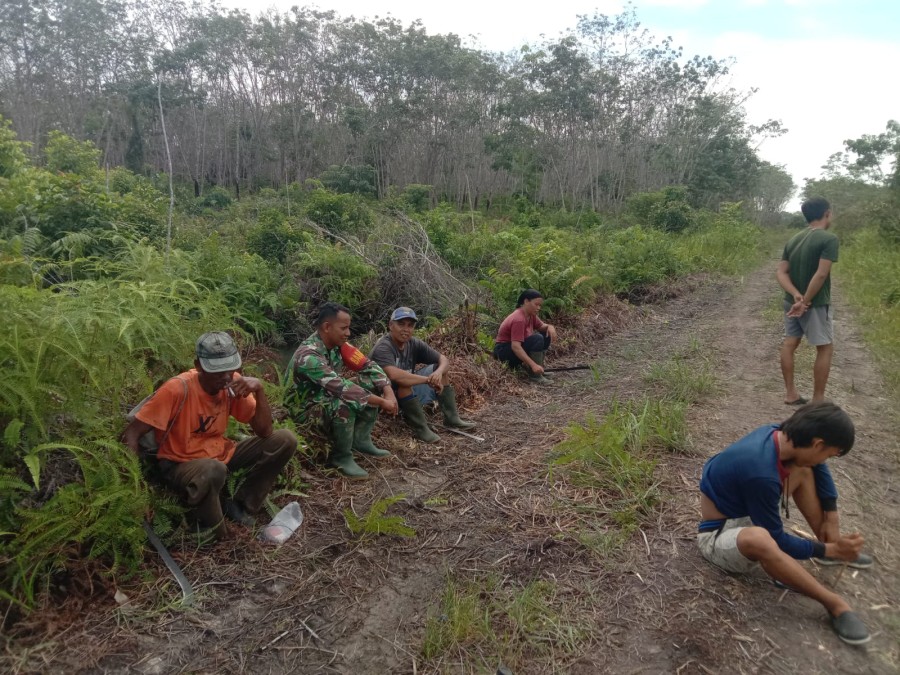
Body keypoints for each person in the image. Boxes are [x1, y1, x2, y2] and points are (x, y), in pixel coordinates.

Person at [697, 401, 873, 645]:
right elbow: (777, 539)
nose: (824, 460)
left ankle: (829, 547)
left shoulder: (779, 434)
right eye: (828, 454)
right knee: (761, 539)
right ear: (817, 444)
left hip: (746, 510)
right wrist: (827, 549)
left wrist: (831, 515)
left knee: (804, 469)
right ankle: (834, 603)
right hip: (717, 536)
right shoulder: (761, 474)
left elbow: (818, 466)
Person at [122, 332, 297, 541]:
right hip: (181, 463)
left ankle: (241, 504)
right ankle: (212, 530)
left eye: (230, 369)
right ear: (198, 366)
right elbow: (132, 432)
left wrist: (259, 391)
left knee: (285, 440)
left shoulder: (231, 383)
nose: (225, 377)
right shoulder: (177, 389)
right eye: (217, 372)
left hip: (219, 454)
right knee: (213, 469)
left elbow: (265, 432)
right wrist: (134, 480)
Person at [284, 302, 398, 479]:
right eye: (344, 328)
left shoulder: (339, 345)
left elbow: (369, 366)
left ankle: (360, 440)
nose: (348, 333)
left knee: (370, 381)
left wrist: (387, 390)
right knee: (342, 403)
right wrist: (383, 402)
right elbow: (343, 389)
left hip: (324, 397)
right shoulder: (308, 356)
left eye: (348, 328)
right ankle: (341, 457)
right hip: (302, 410)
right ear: (327, 327)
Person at [368, 307, 476, 442]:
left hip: (406, 395)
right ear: (391, 325)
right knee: (404, 384)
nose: (406, 329)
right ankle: (421, 429)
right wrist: (428, 380)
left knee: (440, 370)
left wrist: (437, 373)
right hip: (385, 397)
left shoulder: (413, 343)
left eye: (410, 325)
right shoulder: (384, 347)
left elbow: (444, 360)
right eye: (401, 324)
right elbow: (395, 375)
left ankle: (452, 418)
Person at [777, 197, 839, 405]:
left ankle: (790, 394)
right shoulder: (829, 239)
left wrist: (795, 294)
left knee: (790, 343)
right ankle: (818, 399)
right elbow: (821, 274)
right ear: (827, 213)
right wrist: (805, 301)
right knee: (825, 347)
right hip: (815, 303)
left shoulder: (793, 239)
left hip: (790, 301)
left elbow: (781, 272)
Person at [492, 289, 558, 384]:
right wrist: (533, 365)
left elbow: (542, 327)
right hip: (503, 352)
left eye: (540, 305)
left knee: (546, 334)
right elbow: (515, 347)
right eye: (536, 304)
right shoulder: (519, 319)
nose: (539, 308)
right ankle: (535, 375)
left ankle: (538, 371)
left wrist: (550, 327)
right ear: (526, 301)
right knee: (537, 338)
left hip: (511, 349)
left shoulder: (531, 315)